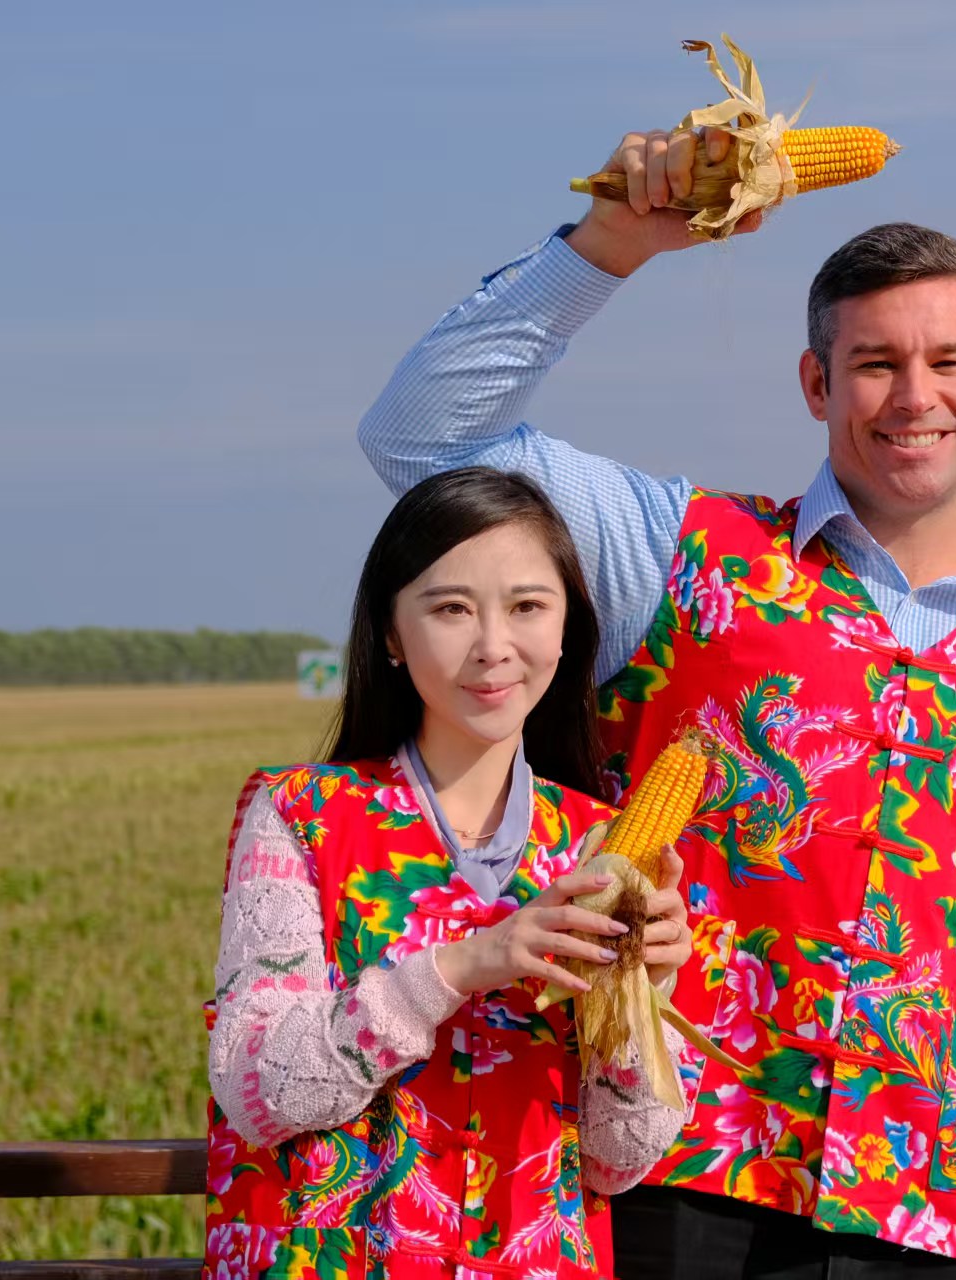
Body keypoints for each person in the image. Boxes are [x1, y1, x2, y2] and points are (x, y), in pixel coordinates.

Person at [356, 127, 956, 1279]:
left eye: (947, 361)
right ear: (816, 383)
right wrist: (612, 242)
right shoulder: (678, 554)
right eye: (875, 362)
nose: (915, 395)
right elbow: (420, 437)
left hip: (947, 1207)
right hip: (675, 1176)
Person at [204, 468, 694, 1279]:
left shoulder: (599, 845)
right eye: (451, 609)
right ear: (391, 635)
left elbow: (615, 1161)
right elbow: (257, 1090)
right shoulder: (298, 815)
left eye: (527, 606)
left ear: (568, 629)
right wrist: (461, 966)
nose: (493, 645)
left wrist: (646, 997)